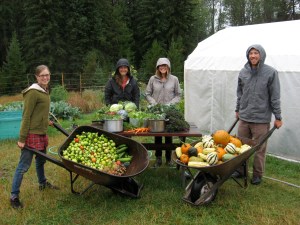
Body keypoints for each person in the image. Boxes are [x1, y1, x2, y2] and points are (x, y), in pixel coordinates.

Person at [10, 65, 59, 209]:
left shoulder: (44, 90)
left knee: (40, 161)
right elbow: (26, 116)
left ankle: (42, 183)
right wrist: (22, 138)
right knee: (23, 166)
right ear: (36, 77)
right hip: (31, 134)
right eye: (42, 75)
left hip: (42, 132)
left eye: (47, 75)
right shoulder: (33, 92)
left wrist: (47, 121)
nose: (45, 77)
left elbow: (40, 111)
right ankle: (14, 196)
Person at [234, 44, 283, 185]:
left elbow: (275, 96)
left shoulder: (270, 73)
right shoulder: (243, 72)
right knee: (241, 146)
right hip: (244, 117)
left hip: (261, 119)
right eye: (251, 53)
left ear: (261, 55)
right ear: (247, 55)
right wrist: (238, 110)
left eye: (256, 53)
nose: (253, 56)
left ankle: (257, 175)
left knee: (259, 149)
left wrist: (278, 117)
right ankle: (241, 170)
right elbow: (240, 94)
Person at [145, 57, 181, 167]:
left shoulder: (174, 79)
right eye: (161, 66)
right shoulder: (153, 79)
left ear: (168, 67)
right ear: (157, 67)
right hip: (156, 112)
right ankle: (158, 159)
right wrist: (154, 103)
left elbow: (178, 95)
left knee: (168, 134)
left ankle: (169, 159)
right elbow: (147, 94)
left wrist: (170, 104)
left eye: (165, 65)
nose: (163, 68)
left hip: (170, 111)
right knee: (157, 135)